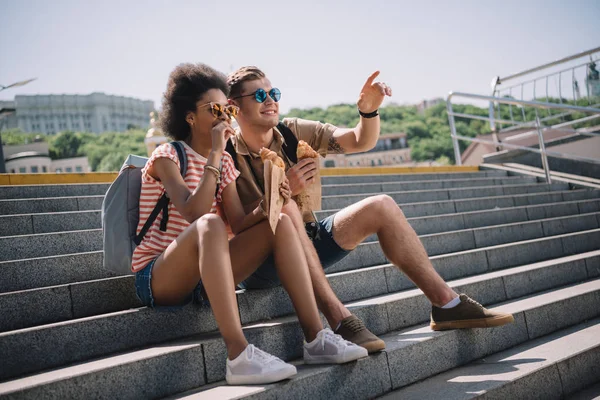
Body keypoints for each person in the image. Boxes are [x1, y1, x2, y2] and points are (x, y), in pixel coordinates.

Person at [225, 66, 515, 353]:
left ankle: (447, 305)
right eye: (260, 94)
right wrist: (282, 191)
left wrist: (368, 112)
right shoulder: (226, 152)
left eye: (273, 92)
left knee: (382, 205)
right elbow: (234, 226)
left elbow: (359, 140)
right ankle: (339, 320)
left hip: (308, 239)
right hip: (260, 263)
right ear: (234, 107)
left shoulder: (291, 131)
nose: (271, 100)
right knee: (286, 207)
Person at [132, 63, 367, 386]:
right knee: (211, 225)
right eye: (215, 109)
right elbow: (194, 213)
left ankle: (316, 338)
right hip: (159, 277)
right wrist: (215, 153)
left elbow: (241, 224)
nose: (224, 115)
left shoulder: (225, 162)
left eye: (227, 108)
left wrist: (274, 196)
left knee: (282, 219)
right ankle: (239, 354)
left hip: (207, 277)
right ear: (189, 117)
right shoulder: (168, 156)